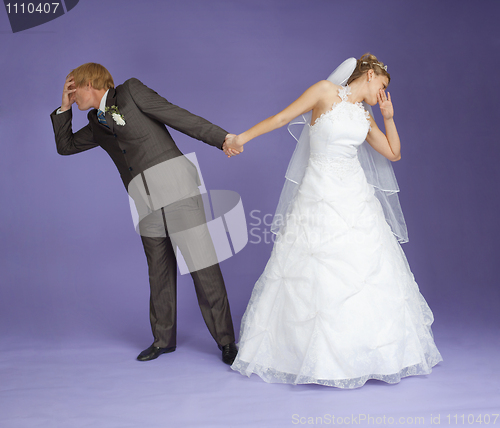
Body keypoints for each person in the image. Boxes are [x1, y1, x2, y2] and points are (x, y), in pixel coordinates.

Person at [224, 54, 442, 388]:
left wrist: (389, 117)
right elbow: (282, 117)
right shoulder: (325, 92)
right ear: (369, 75)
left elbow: (393, 153)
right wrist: (241, 138)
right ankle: (311, 356)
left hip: (355, 195)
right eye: (382, 86)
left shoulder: (365, 114)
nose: (382, 93)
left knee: (363, 271)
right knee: (312, 268)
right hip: (318, 191)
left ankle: (363, 353)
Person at [50, 63, 238, 365]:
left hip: (177, 187)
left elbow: (177, 116)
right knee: (158, 269)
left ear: (89, 83)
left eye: (72, 89)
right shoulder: (96, 123)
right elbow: (66, 145)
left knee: (202, 265)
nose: (71, 95)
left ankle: (226, 341)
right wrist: (63, 109)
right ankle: (163, 340)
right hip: (143, 199)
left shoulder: (130, 92)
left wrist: (221, 138)